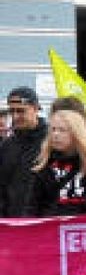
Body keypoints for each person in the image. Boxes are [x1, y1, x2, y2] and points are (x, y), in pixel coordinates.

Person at [0, 87, 48, 216]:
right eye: (12, 111)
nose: (15, 116)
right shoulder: (7, 145)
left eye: (21, 111)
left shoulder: (51, 142)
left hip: (44, 223)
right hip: (12, 223)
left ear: (36, 109)